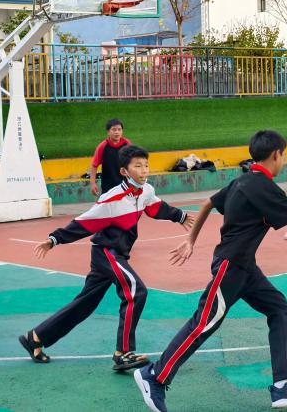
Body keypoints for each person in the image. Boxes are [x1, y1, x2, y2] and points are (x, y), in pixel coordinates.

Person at [134, 130, 287, 411]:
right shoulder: (265, 187)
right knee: (204, 323)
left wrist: (191, 239)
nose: (284, 160)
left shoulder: (242, 180)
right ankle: (154, 375)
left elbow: (207, 203)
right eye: (284, 155)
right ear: (276, 154)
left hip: (245, 268)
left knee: (280, 310)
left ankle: (284, 386)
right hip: (231, 266)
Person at [20, 145, 195, 371]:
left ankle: (35, 337)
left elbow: (156, 207)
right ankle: (123, 353)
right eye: (138, 166)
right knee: (136, 291)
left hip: (118, 253)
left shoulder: (146, 191)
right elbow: (84, 222)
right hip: (106, 252)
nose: (144, 170)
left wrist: (179, 216)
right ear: (124, 171)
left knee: (85, 304)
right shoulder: (111, 199)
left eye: (146, 165)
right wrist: (54, 239)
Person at [89, 118, 131, 196]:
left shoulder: (127, 144)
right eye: (114, 129)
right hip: (108, 187)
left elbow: (133, 162)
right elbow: (94, 165)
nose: (117, 132)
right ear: (108, 132)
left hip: (125, 185)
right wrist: (93, 184)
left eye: (119, 129)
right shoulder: (103, 146)